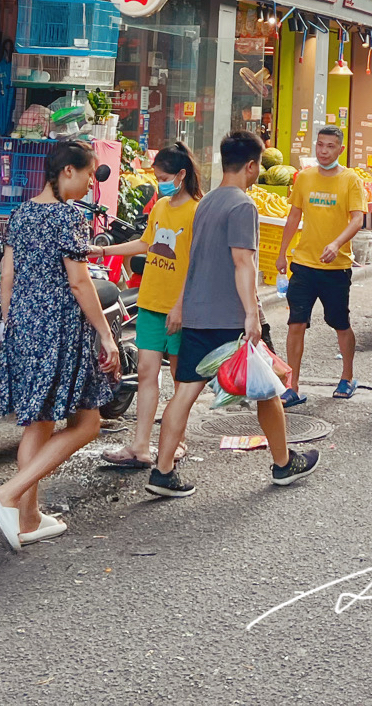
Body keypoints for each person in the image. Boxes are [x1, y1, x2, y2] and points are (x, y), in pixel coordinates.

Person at [147, 132, 321, 498]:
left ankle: (162, 471)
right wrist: (252, 315)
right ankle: (283, 463)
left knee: (185, 393)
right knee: (267, 389)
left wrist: (182, 304)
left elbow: (193, 260)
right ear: (252, 166)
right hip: (230, 319)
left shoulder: (206, 202)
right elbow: (244, 262)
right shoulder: (243, 205)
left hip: (197, 314)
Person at [0, 139, 122, 550]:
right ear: (67, 172)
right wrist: (106, 334)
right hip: (58, 327)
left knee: (38, 423)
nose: (90, 186)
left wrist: (13, 320)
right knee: (88, 423)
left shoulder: (22, 213)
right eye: (88, 176)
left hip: (23, 324)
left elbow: (6, 272)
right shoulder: (67, 218)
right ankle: (10, 494)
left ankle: (28, 520)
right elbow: (80, 282)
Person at [94, 142, 200, 470]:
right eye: (157, 177)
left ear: (182, 174)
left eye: (165, 177)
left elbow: (196, 263)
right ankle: (140, 446)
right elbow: (146, 242)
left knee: (182, 380)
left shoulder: (197, 211)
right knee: (145, 373)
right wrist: (101, 252)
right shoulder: (162, 206)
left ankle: (176, 441)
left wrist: (180, 307)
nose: (160, 182)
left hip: (180, 309)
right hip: (152, 302)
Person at [276, 125, 367, 405]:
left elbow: (357, 219)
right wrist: (282, 253)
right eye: (320, 145)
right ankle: (292, 386)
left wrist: (336, 243)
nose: (324, 151)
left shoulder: (351, 180)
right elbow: (293, 216)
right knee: (295, 323)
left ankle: (347, 376)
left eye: (330, 147)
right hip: (304, 264)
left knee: (340, 323)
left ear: (340, 149)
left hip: (336, 267)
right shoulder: (304, 178)